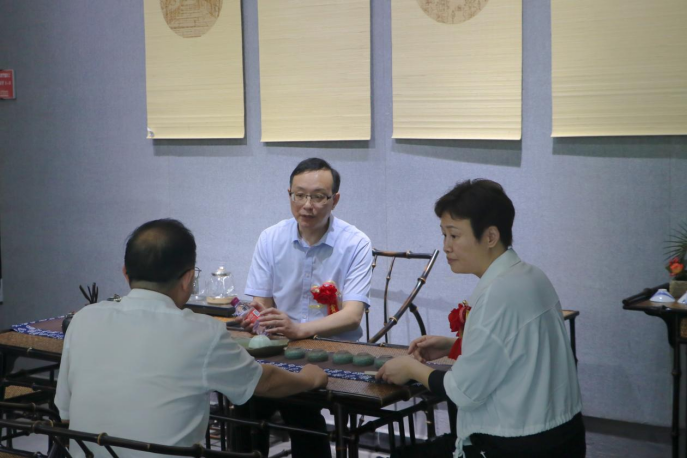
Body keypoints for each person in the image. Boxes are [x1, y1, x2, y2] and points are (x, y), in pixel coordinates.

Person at [54, 219, 327, 458]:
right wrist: (310, 378)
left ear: (125, 273)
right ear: (187, 279)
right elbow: (263, 382)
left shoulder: (83, 320)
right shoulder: (202, 332)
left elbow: (64, 413)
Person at [376, 180, 585, 458]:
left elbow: (463, 392)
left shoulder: (498, 293)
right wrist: (453, 344)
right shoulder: (530, 275)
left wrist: (410, 368)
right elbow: (515, 348)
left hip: (518, 444)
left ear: (490, 237)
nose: (446, 246)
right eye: (444, 235)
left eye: (454, 235)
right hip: (563, 436)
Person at [236, 158, 373, 458]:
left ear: (335, 199)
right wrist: (258, 319)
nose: (307, 206)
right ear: (289, 194)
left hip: (334, 352)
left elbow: (352, 316)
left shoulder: (355, 243)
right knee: (243, 398)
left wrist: (299, 330)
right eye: (299, 195)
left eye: (318, 197)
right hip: (281, 348)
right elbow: (262, 303)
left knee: (296, 402)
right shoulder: (271, 238)